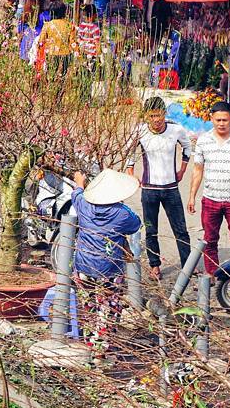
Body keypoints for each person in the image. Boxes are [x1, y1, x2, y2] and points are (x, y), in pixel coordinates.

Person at [70, 169, 142, 355]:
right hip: (108, 269)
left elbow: (76, 192)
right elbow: (136, 223)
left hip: (83, 265)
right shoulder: (122, 214)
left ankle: (90, 343)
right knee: (108, 307)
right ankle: (102, 347)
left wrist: (80, 181)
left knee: (88, 306)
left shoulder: (83, 205)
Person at [125, 97, 193, 281]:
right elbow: (129, 152)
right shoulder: (140, 132)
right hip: (149, 190)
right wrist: (131, 173)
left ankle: (187, 265)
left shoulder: (176, 129)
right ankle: (155, 265)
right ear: (147, 116)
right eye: (152, 116)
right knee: (151, 229)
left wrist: (182, 170)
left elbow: (187, 147)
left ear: (165, 114)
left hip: (171, 188)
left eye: (159, 115)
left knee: (180, 229)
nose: (156, 120)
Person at [188, 101, 230, 274]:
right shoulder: (203, 141)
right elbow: (197, 170)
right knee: (209, 240)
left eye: (225, 120)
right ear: (211, 119)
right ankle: (211, 273)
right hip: (210, 199)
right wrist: (191, 196)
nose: (221, 123)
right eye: (218, 120)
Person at [34, 3, 76, 75]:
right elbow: (73, 42)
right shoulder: (70, 25)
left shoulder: (48, 25)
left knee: (51, 75)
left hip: (51, 53)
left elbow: (41, 41)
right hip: (66, 54)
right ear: (64, 12)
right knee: (63, 76)